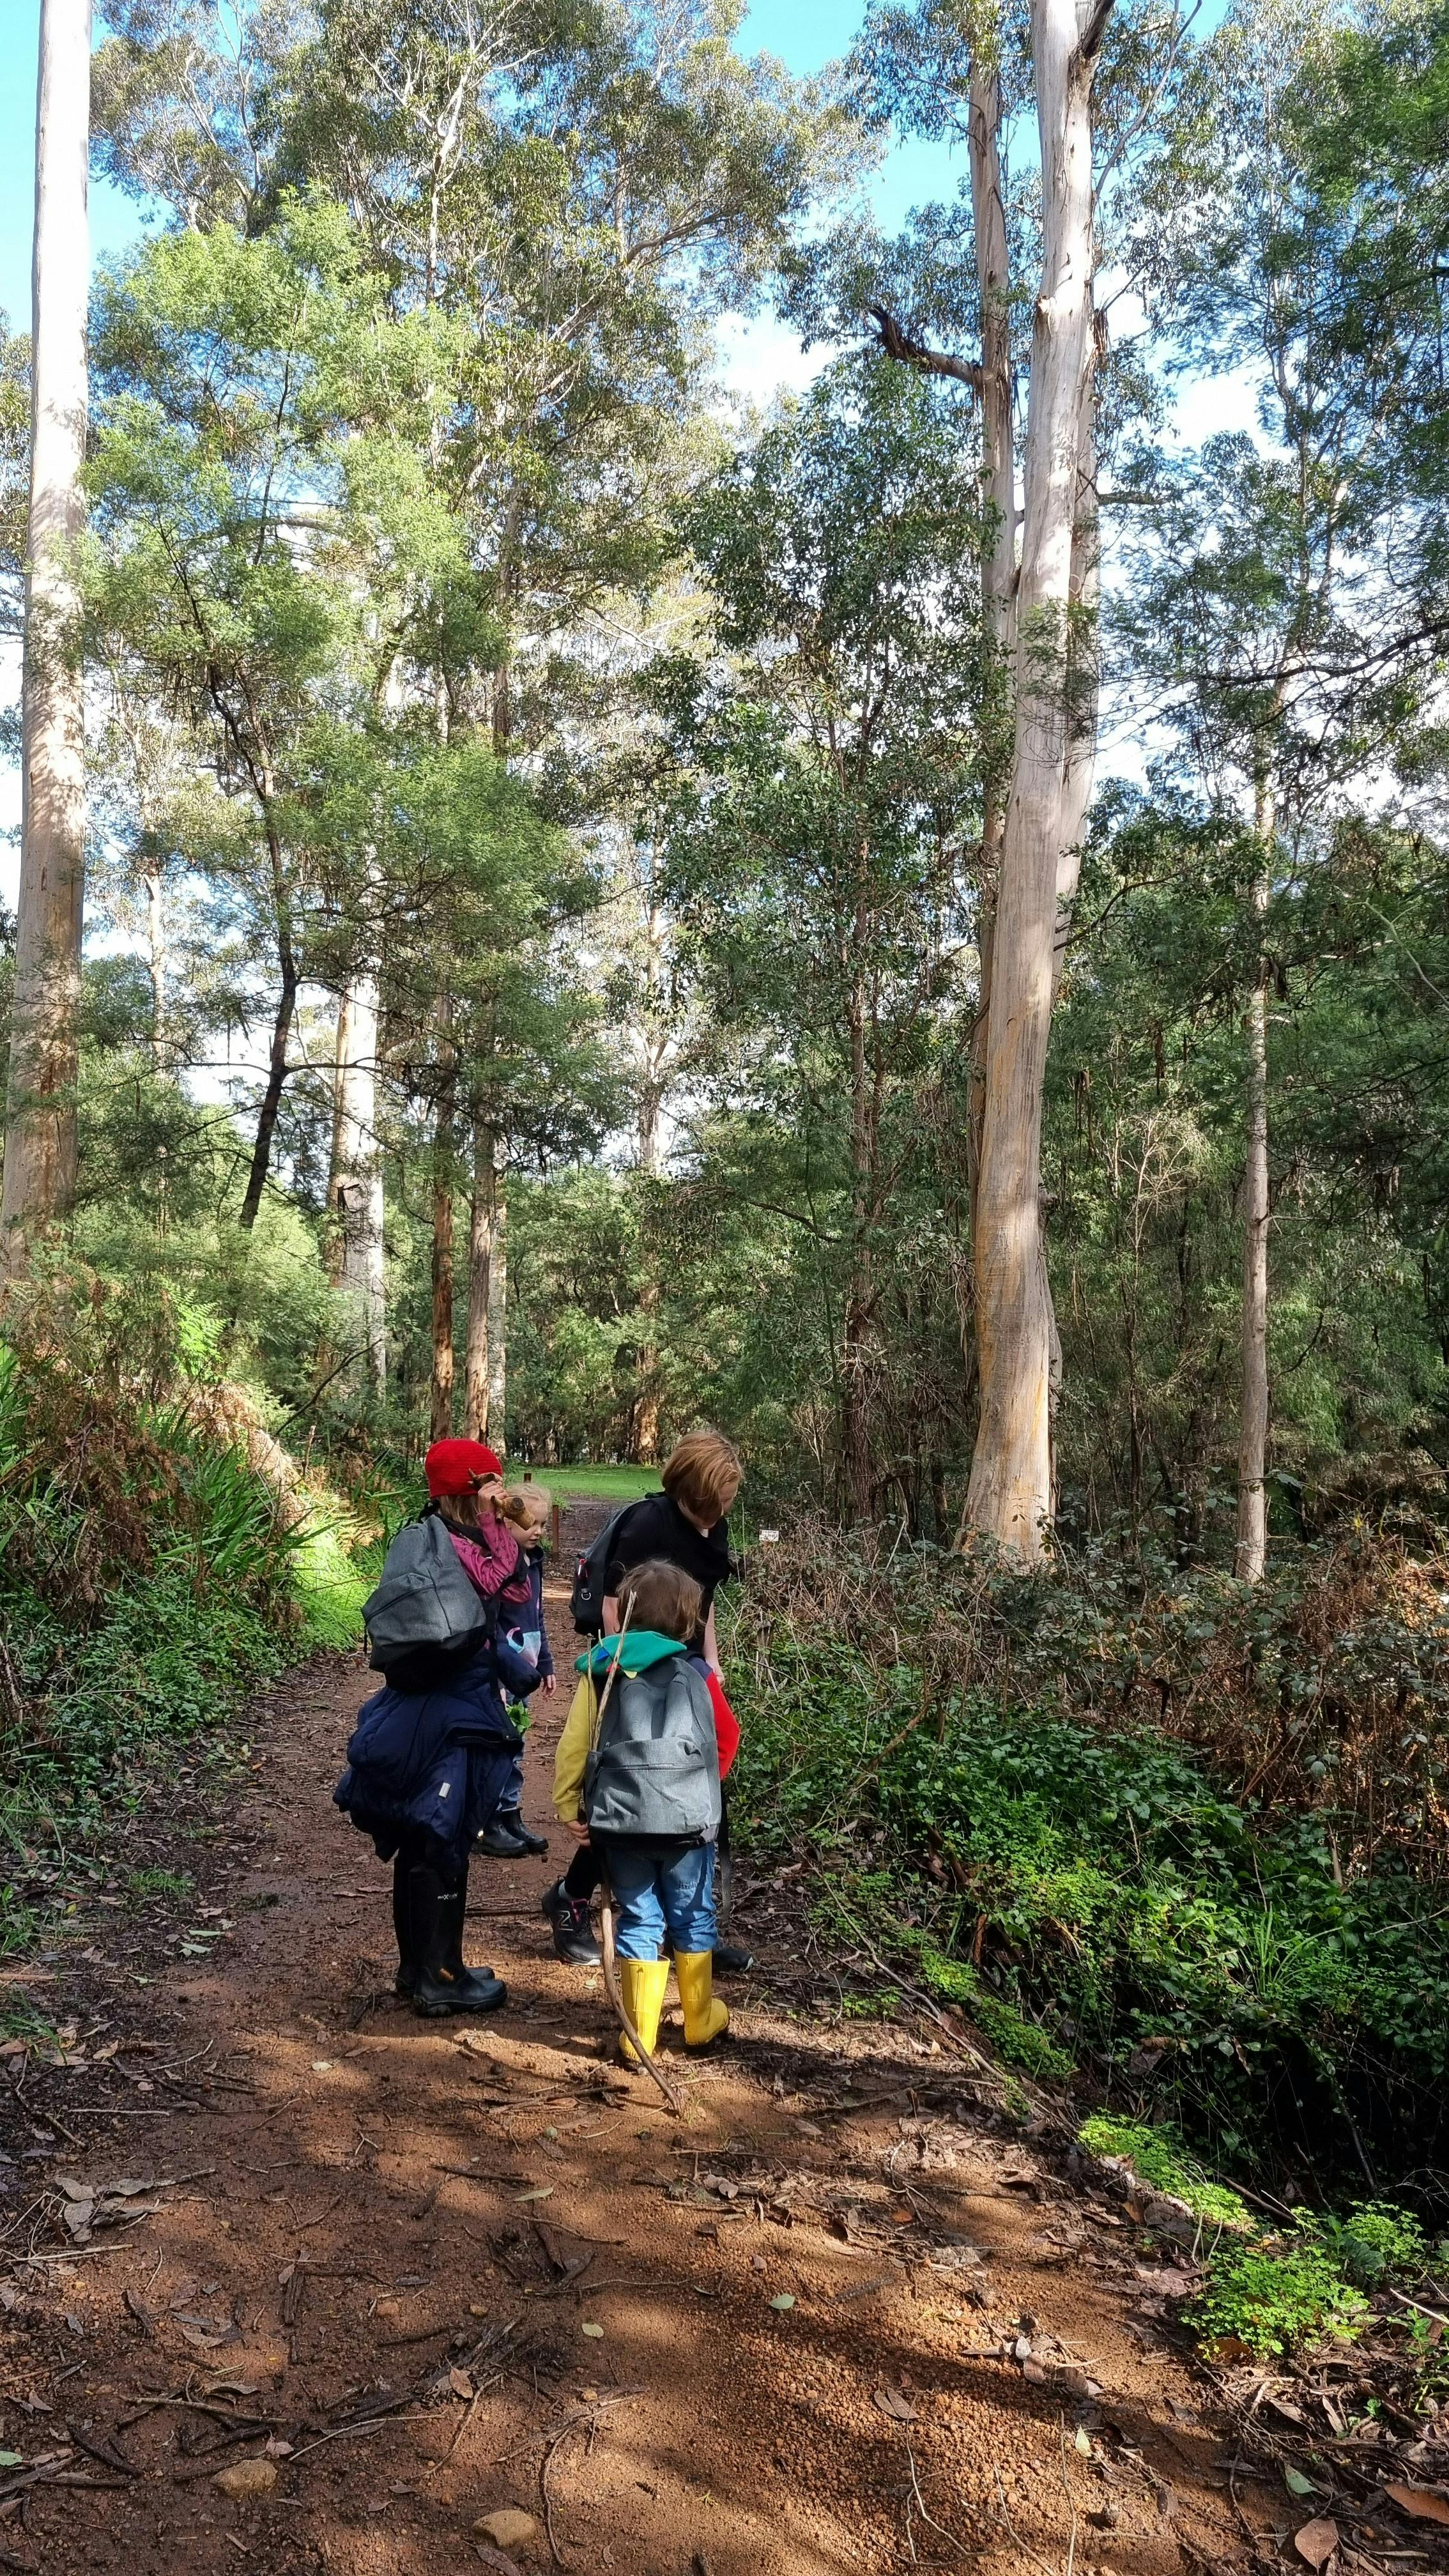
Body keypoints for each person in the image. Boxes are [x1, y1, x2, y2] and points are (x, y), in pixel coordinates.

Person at [334, 1438, 532, 2018]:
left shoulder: (423, 1535)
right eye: (489, 1485)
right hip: (453, 1706)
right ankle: (440, 1977)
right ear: (471, 1490)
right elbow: (504, 1581)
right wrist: (498, 1522)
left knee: (424, 1837)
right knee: (443, 1840)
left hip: (421, 1703)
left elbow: (515, 1586)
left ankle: (417, 1966)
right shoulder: (459, 1546)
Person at [541, 1431, 748, 1969]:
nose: (720, 1513)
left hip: (685, 1670)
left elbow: (705, 1602)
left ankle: (696, 1931)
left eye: (726, 1504)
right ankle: (573, 1899)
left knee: (691, 1796)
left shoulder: (714, 1528)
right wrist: (627, 1666)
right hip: (631, 1670)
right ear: (690, 1489)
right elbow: (615, 1605)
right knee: (625, 1791)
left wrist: (712, 1661)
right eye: (715, 1502)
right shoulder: (647, 1523)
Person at [552, 1558, 732, 2064]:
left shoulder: (602, 1670)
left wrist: (569, 1804)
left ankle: (640, 2037)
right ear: (686, 1622)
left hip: (623, 1822)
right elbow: (725, 1739)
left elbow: (574, 1747)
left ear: (623, 1615)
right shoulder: (695, 1671)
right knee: (693, 1913)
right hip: (687, 1826)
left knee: (639, 1917)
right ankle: (699, 2022)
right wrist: (697, 1792)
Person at [482, 1484, 557, 1859]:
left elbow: (538, 1615)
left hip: (524, 1674)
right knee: (500, 1744)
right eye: (529, 1523)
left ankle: (512, 1813)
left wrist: (545, 1664)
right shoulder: (498, 1567)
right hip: (500, 1674)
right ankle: (489, 1819)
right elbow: (490, 1623)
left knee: (518, 1744)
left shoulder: (535, 1564)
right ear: (504, 1522)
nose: (538, 1531)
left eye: (542, 1524)